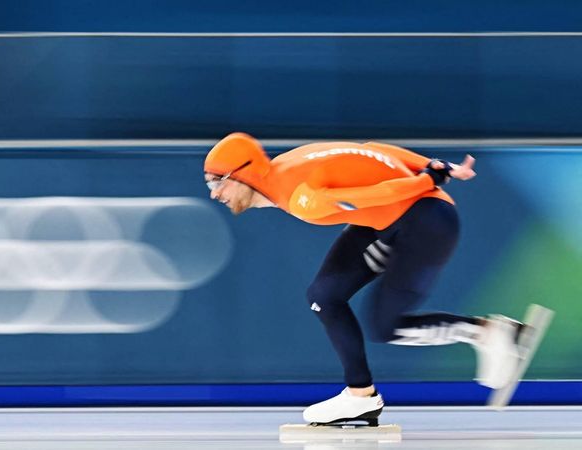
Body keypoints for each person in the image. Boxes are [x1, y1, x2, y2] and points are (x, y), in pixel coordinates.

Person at [203, 132, 525, 426]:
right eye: (210, 185)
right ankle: (360, 396)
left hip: (426, 222)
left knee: (386, 327)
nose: (215, 194)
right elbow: (369, 150)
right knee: (324, 296)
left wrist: (428, 179)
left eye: (219, 181)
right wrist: (430, 165)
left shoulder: (302, 199)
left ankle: (489, 332)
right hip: (389, 218)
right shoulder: (285, 164)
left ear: (244, 173)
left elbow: (381, 192)